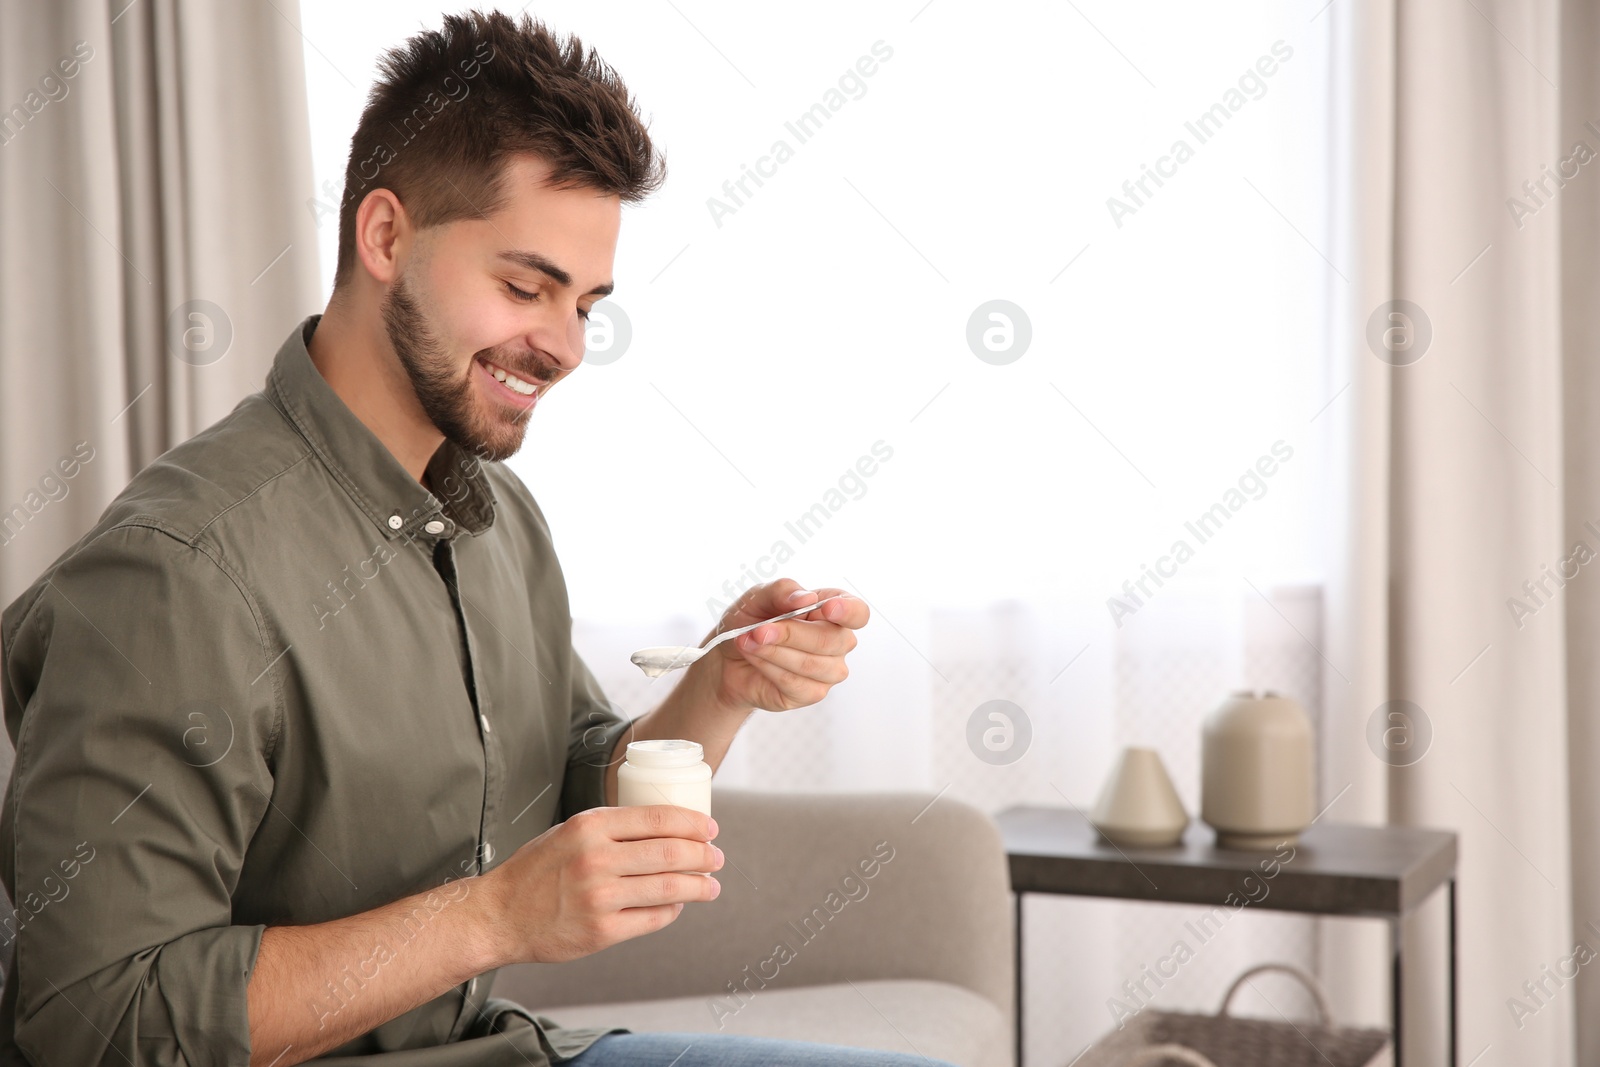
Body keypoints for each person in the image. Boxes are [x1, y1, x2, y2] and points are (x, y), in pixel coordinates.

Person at [0, 10, 953, 1067]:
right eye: (523, 286)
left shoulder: (494, 518)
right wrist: (492, 916)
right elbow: (95, 1021)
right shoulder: (177, 576)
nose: (563, 345)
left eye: (585, 303)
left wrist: (722, 685)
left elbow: (571, 778)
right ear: (384, 236)